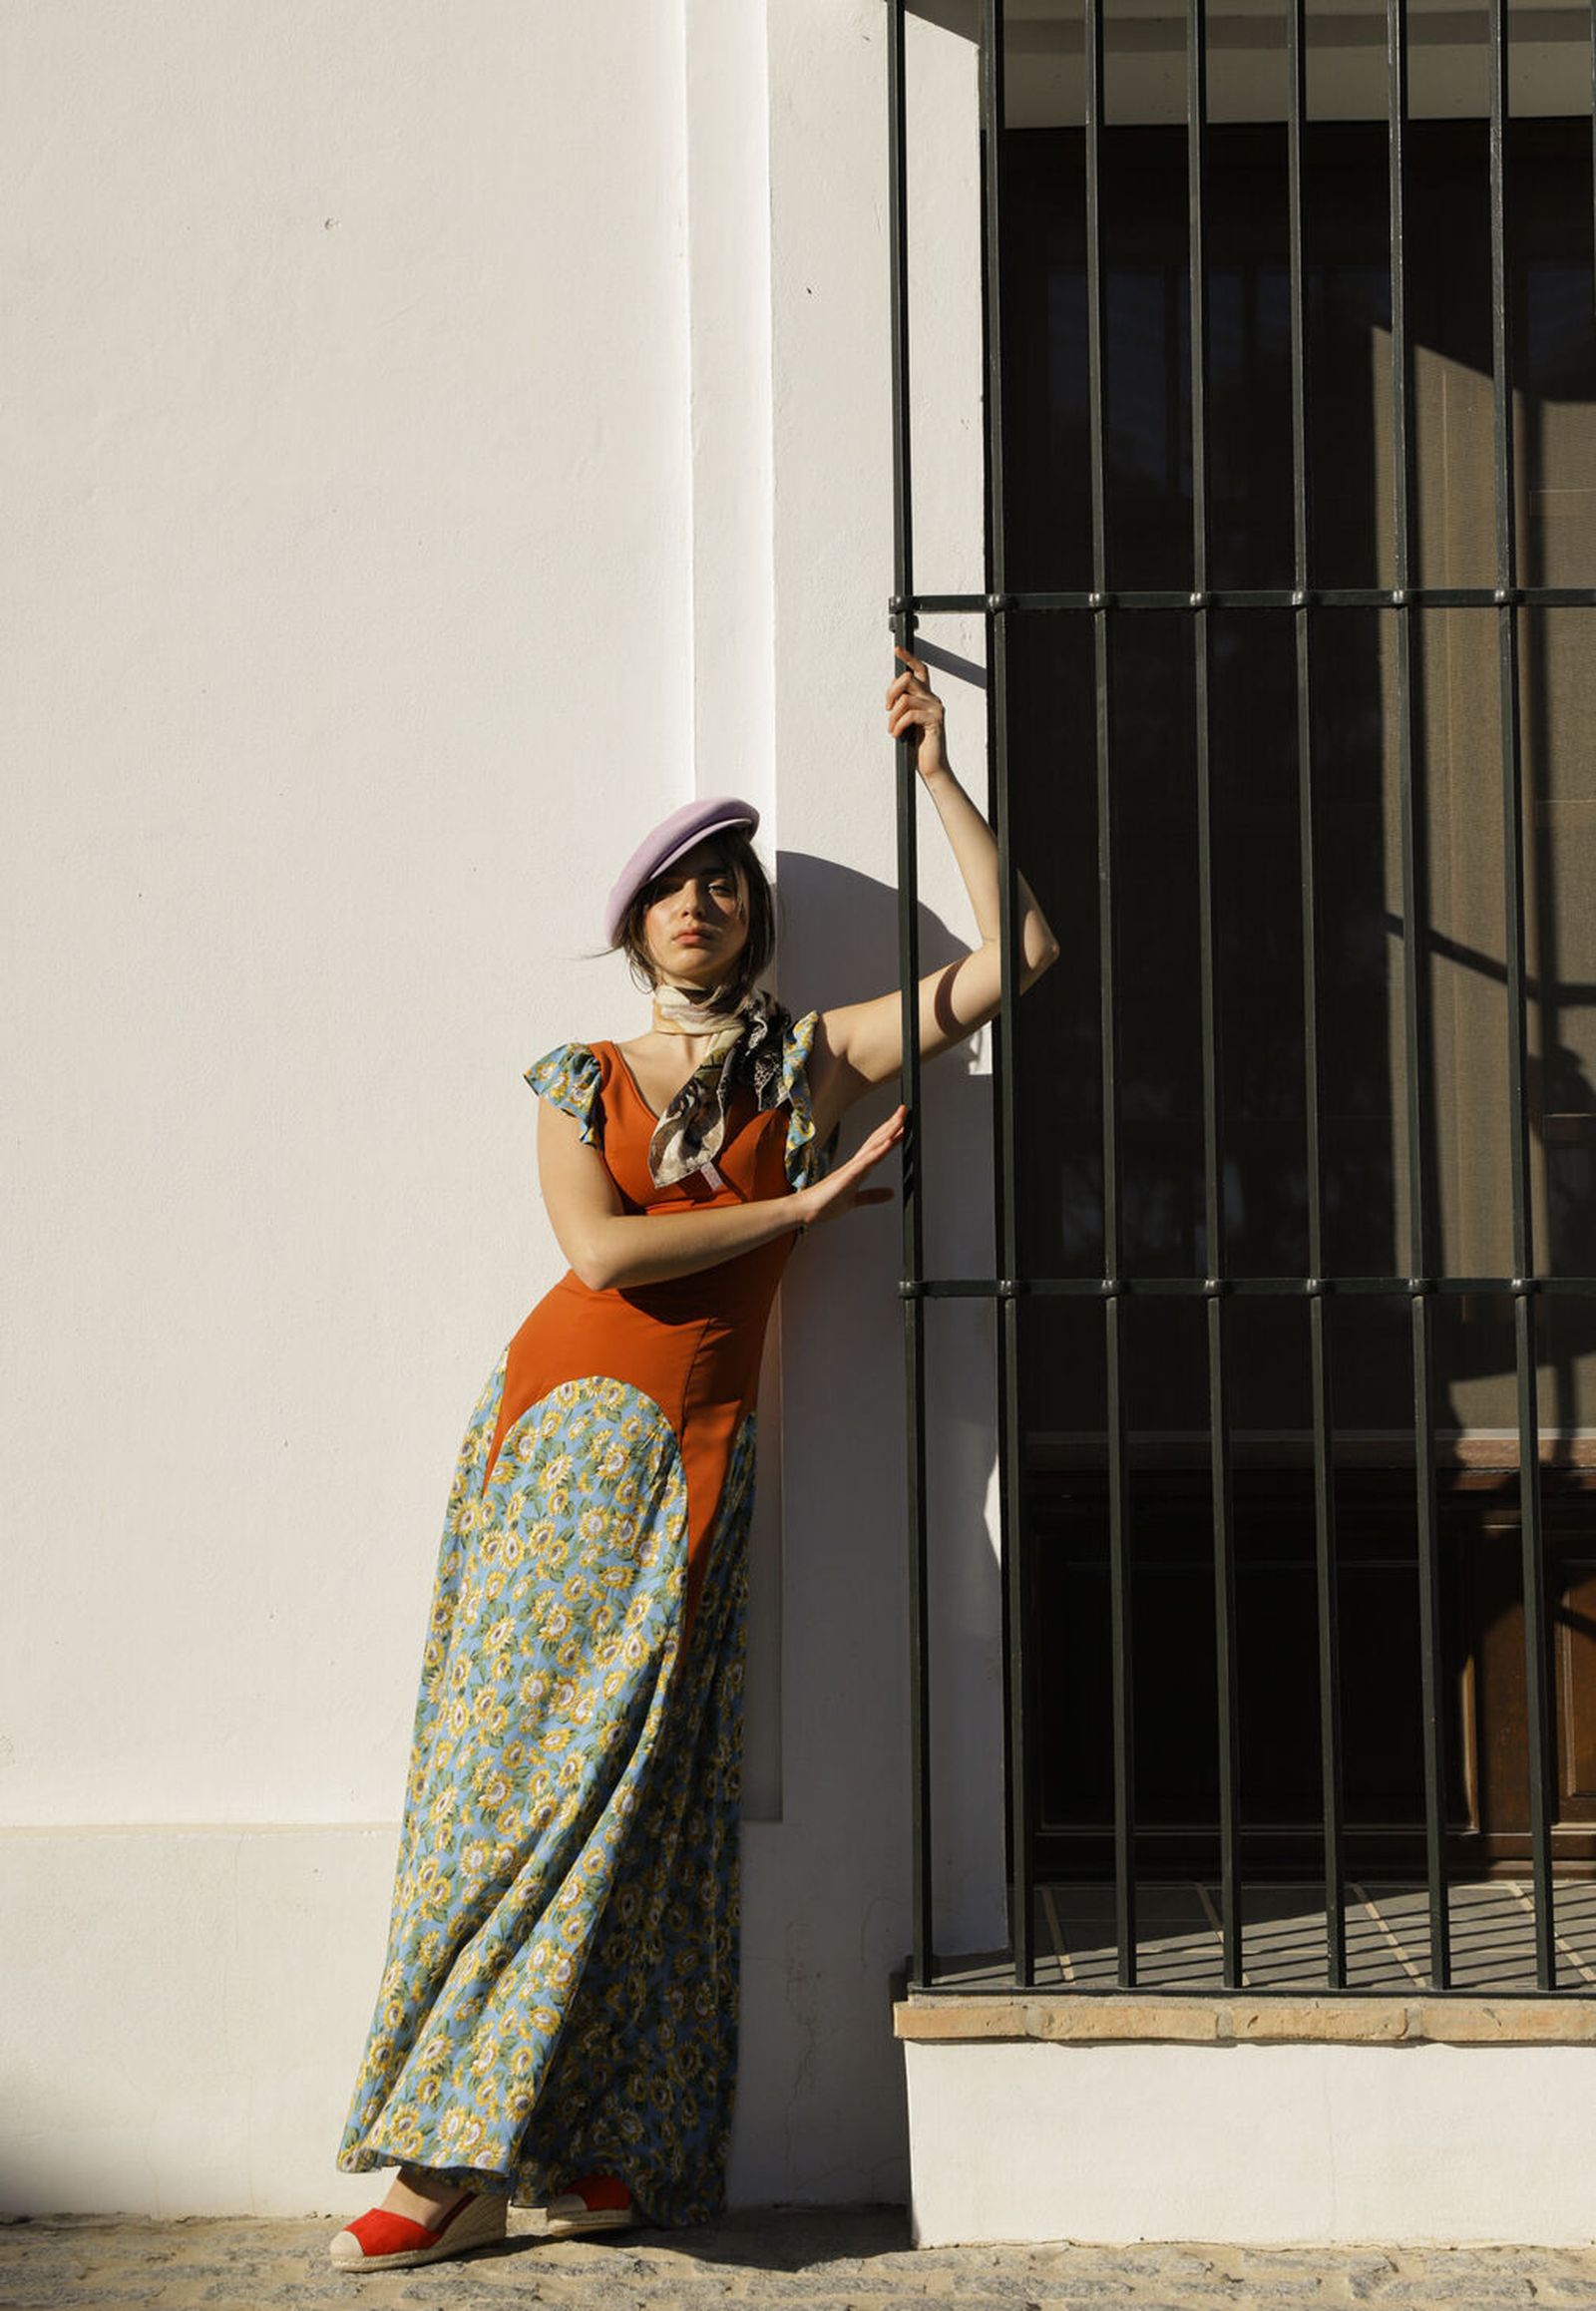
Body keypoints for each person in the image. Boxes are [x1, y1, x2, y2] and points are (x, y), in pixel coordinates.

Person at [329, 650, 1059, 2273]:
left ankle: (602, 2140)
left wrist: (938, 769)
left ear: (750, 917)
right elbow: (598, 1256)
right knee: (509, 1792)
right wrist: (794, 1214)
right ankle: (448, 2151)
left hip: (686, 1459)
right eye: (673, 885)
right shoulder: (579, 1079)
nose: (702, 902)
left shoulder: (808, 1065)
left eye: (725, 881)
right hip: (548, 1446)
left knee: (642, 1800)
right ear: (634, 922)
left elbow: (1018, 956)